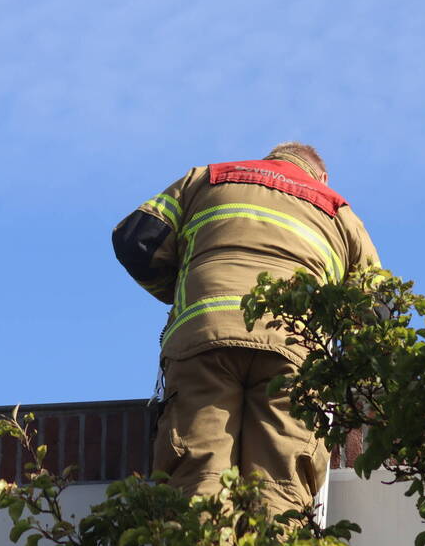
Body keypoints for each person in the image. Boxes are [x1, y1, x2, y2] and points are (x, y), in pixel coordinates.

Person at [112, 142, 380, 516]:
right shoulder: (339, 210)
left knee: (200, 479)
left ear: (270, 158)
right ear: (321, 176)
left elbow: (135, 240)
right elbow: (375, 307)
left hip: (203, 340)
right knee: (280, 491)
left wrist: (181, 292)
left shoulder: (206, 178)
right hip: (295, 354)